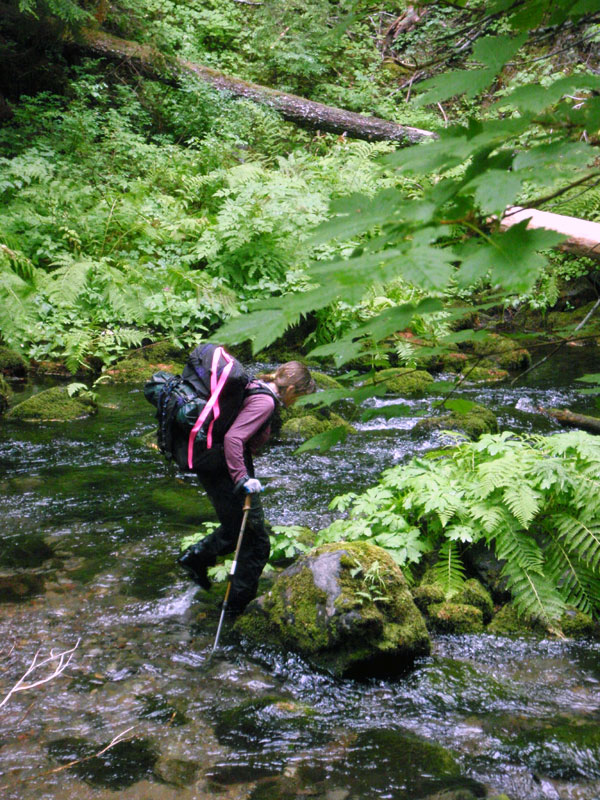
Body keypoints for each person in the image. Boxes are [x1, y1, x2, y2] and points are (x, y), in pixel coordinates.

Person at [177, 361, 316, 616]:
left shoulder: (257, 385)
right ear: (292, 388)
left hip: (213, 463)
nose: (297, 404)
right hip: (226, 469)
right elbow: (234, 438)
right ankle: (234, 609)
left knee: (235, 530)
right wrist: (242, 478)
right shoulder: (266, 402)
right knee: (257, 543)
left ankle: (196, 559)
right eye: (300, 397)